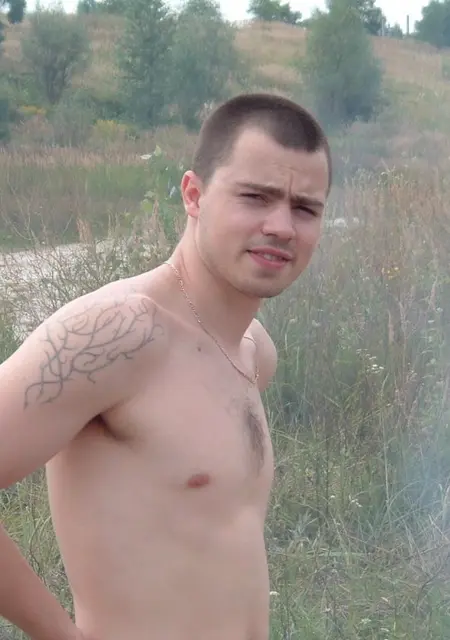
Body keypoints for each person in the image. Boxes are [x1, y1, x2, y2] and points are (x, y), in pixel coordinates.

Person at [0, 92, 331, 640]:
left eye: (305, 208)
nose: (281, 226)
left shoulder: (254, 351)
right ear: (194, 195)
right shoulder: (122, 332)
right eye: (255, 197)